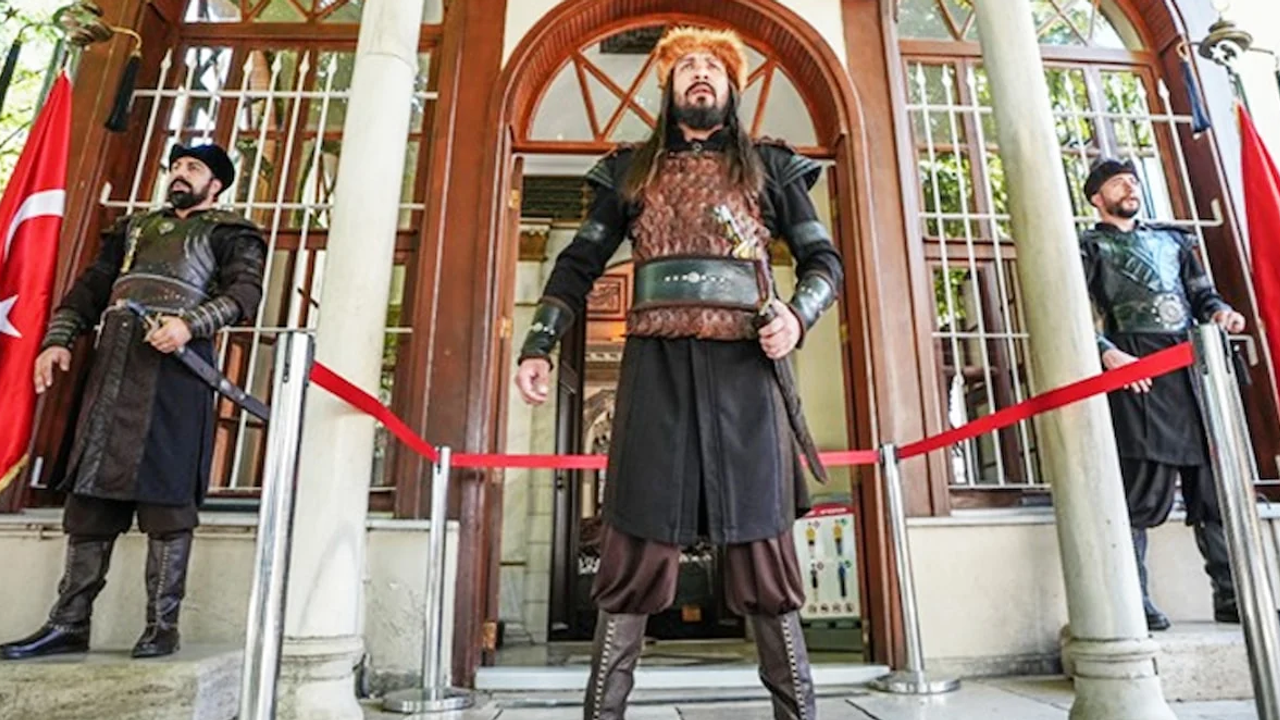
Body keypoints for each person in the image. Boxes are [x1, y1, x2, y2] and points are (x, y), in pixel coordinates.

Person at [513, 26, 842, 720]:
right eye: (686, 65)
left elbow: (824, 264)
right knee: (633, 551)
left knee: (765, 555)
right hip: (654, 373)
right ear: (667, 87)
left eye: (713, 66)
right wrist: (540, 343)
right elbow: (577, 264)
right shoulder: (629, 171)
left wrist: (797, 317)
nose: (699, 73)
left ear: (731, 87)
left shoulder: (772, 168)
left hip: (747, 373)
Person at [0, 143, 266, 660]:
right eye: (176, 166)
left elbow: (244, 295)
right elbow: (90, 289)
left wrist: (188, 324)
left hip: (177, 372)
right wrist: (58, 340)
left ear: (216, 184)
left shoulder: (231, 232)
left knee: (168, 498)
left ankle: (162, 626)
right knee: (90, 498)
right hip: (115, 366)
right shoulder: (134, 229)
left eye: (193, 168)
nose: (179, 174)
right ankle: (69, 622)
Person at [1079, 158, 1247, 631]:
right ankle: (1133, 599)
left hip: (1189, 363)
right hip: (1137, 368)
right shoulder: (1089, 246)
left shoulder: (1174, 241)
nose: (1130, 188)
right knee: (1142, 486)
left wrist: (1221, 313)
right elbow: (1073, 310)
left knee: (1210, 485)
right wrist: (1107, 352)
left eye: (1133, 181)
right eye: (1118, 183)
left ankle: (1231, 595)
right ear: (1097, 198)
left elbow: (1203, 296)